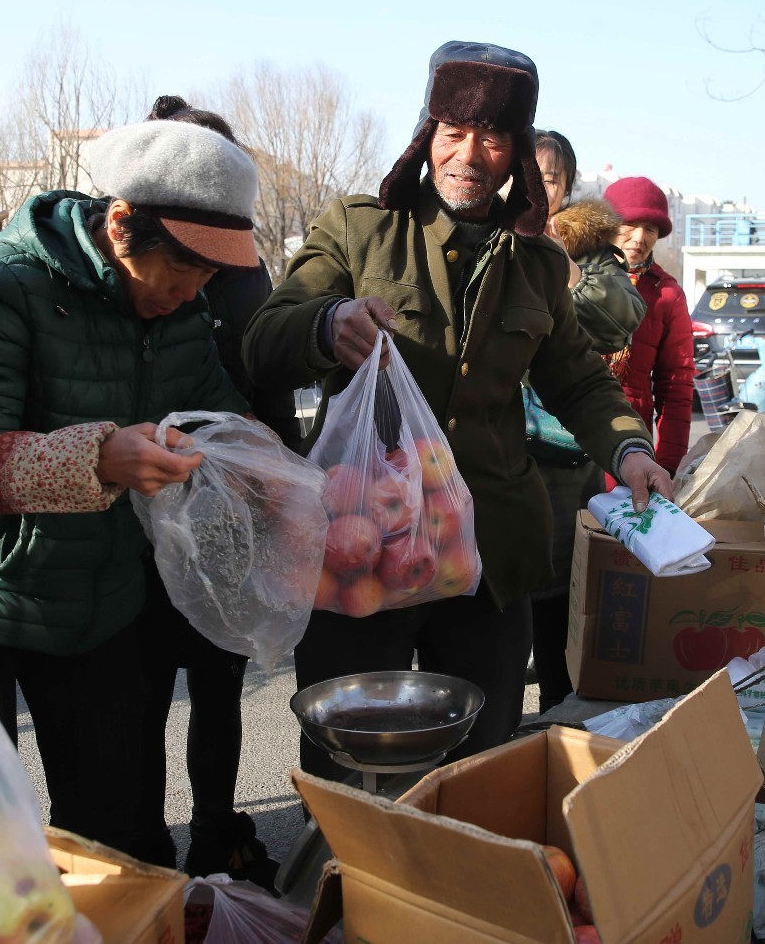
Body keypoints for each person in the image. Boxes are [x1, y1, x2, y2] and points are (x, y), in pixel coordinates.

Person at [244, 41, 674, 780]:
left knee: (478, 765)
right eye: (454, 132)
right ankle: (347, 890)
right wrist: (326, 323)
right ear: (427, 134)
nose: (469, 154)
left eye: (493, 137)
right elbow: (265, 338)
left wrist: (631, 449)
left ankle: (457, 889)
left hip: (487, 553)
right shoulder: (360, 227)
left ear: (515, 153)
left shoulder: (538, 263)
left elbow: (578, 380)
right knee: (349, 763)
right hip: (361, 541)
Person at [0, 120, 258, 866]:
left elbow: (217, 412)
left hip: (103, 599)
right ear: (121, 223)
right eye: (179, 268)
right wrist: (100, 457)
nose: (190, 292)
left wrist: (275, 475)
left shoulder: (184, 311)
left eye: (207, 277)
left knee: (117, 837)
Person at [133, 95, 287, 886]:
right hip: (149, 498)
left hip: (211, 502)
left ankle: (206, 837)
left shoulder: (236, 261)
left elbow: (260, 373)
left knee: (209, 684)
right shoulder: (180, 259)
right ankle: (189, 844)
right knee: (171, 687)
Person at [527, 130, 645, 711]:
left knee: (555, 602)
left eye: (548, 178)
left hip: (561, 451)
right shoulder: (486, 234)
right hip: (487, 453)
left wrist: (565, 270)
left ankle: (554, 731)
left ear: (567, 187)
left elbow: (618, 317)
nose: (535, 186)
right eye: (526, 171)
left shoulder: (589, 248)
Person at [606, 177, 696, 474]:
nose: (639, 238)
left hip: (629, 448)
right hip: (560, 440)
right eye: (629, 224)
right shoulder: (569, 274)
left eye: (651, 228)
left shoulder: (666, 294)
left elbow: (676, 387)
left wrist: (668, 466)